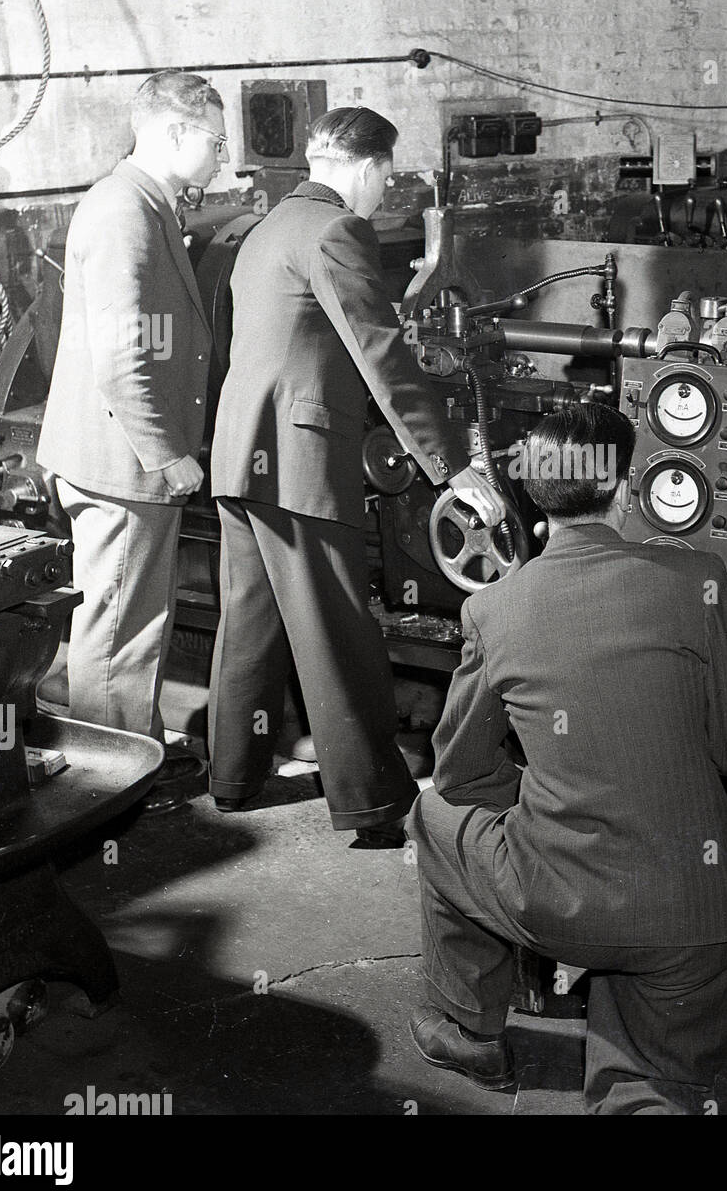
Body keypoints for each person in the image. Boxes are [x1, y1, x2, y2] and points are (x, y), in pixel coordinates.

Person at [406, 402, 727, 1112]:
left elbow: (460, 774)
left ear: (528, 495)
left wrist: (551, 788)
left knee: (433, 812)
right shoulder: (696, 579)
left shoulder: (494, 608)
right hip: (695, 919)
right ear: (625, 488)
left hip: (557, 901)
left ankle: (472, 1030)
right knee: (650, 1093)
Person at [207, 106, 508, 843]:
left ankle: (233, 778)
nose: (383, 193)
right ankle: (373, 804)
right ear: (368, 167)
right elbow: (382, 354)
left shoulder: (263, 229)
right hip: (298, 461)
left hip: (241, 456)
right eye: (387, 177)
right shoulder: (338, 230)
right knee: (338, 628)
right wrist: (450, 465)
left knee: (250, 626)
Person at [38, 71, 224, 744]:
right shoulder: (125, 212)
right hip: (122, 466)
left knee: (127, 626)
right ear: (175, 132)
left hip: (115, 461)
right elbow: (121, 360)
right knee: (119, 632)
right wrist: (169, 454)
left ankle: (124, 757)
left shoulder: (142, 204)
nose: (222, 156)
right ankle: (110, 783)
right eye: (215, 141)